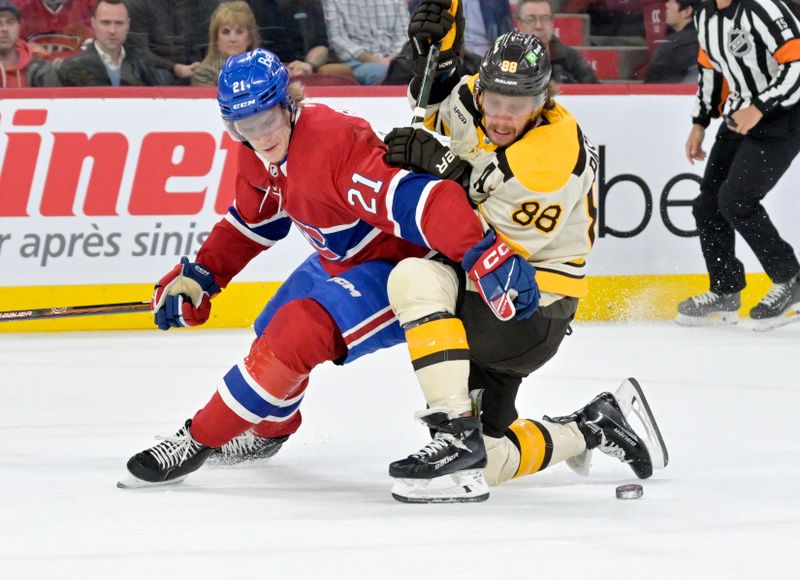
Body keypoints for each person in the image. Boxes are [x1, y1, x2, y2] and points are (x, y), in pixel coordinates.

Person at [118, 48, 538, 491]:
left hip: (401, 266)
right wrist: (202, 275)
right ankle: (268, 433)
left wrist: (482, 252)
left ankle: (195, 440)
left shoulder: (333, 143)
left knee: (296, 333)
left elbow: (424, 200)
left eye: (268, 120)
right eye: (246, 127)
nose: (261, 137)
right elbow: (253, 222)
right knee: (269, 332)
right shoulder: (255, 152)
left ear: (288, 103)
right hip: (341, 259)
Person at [380, 1, 668, 502]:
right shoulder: (482, 98)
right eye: (494, 99)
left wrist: (444, 166)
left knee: (415, 277)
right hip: (498, 301)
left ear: (542, 98)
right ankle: (593, 427)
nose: (502, 115)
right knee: (487, 464)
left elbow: (491, 250)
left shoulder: (554, 157)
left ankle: (454, 434)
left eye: (518, 104)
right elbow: (436, 107)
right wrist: (437, 59)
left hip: (530, 310)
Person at [677, 0, 800, 330]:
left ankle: (790, 278)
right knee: (707, 204)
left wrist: (759, 107)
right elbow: (710, 70)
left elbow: (797, 63)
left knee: (737, 200)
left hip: (783, 117)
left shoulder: (764, 8)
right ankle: (726, 290)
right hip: (739, 115)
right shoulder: (705, 12)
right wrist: (700, 122)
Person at [58, 0, 175, 86]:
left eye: (119, 23)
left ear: (128, 24)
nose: (112, 31)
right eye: (105, 23)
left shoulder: (144, 66)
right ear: (93, 23)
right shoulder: (72, 67)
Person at [246, 0, 348, 79]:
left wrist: (308, 65)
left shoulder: (310, 2)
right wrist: (277, 68)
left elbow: (320, 45)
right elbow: (240, 43)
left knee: (338, 71)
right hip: (259, 68)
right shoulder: (248, 3)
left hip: (303, 68)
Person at [321, 0, 408, 85]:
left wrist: (393, 58)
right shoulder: (333, 1)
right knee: (384, 73)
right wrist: (377, 60)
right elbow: (337, 40)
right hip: (356, 61)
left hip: (397, 59)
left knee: (414, 72)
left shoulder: (397, 1)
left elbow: (405, 35)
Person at [516, 0, 598, 84]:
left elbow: (596, 92)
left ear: (552, 23)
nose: (539, 26)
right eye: (530, 19)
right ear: (519, 24)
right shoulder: (507, 59)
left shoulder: (570, 59)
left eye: (545, 18)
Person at [191, 1, 260, 87]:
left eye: (239, 32)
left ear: (249, 38)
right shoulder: (203, 74)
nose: (233, 39)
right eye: (226, 32)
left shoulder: (263, 72)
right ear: (216, 38)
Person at [0, 0, 59, 87]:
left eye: (10, 22)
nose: (4, 28)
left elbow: (55, 99)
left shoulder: (40, 67)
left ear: (19, 27)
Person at [16, 0, 92, 63]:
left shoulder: (88, 5)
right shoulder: (20, 8)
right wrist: (24, 49)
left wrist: (49, 57)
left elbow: (96, 51)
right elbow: (11, 50)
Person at [643, 0, 698, 84]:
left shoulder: (673, 44)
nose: (666, 4)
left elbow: (651, 86)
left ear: (687, 11)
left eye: (672, 2)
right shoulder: (707, 37)